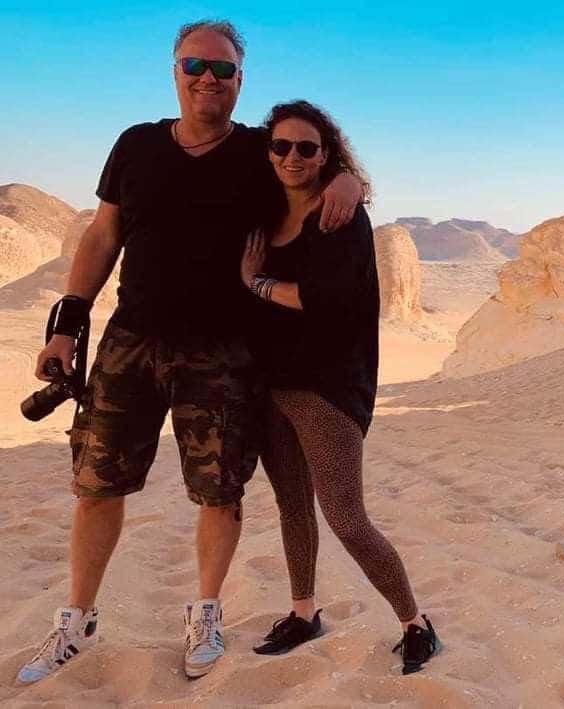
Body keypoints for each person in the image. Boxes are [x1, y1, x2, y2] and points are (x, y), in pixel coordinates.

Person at [16, 20, 363, 685]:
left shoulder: (261, 149)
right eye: (195, 65)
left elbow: (319, 165)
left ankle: (206, 613)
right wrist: (67, 323)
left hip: (223, 350)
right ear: (174, 71)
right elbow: (103, 234)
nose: (209, 78)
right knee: (97, 484)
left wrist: (348, 182)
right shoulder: (136, 144)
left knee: (219, 489)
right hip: (131, 341)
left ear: (240, 80)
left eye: (223, 69)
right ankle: (77, 619)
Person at [239, 100, 440, 674]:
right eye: (281, 146)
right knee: (292, 506)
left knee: (346, 517)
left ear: (326, 153)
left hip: (325, 387)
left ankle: (415, 622)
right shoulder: (263, 207)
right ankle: (304, 613)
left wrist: (256, 283)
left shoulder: (338, 214)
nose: (292, 156)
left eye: (307, 147)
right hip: (269, 383)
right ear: (268, 151)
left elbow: (327, 301)